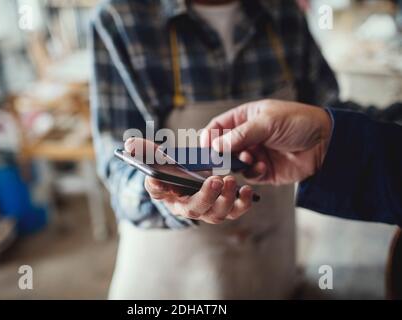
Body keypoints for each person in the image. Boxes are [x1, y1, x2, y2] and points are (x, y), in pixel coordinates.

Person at [90, 0, 340, 299]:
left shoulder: (284, 11)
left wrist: (346, 132)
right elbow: (117, 168)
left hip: (272, 268)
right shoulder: (120, 18)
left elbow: (331, 118)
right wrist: (160, 193)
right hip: (170, 281)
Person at [191, 99, 401, 226]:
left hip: (280, 245)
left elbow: (329, 99)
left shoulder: (289, 26)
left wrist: (323, 147)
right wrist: (323, 145)